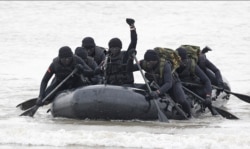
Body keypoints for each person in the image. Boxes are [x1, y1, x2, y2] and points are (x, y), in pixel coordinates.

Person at [134, 49, 192, 118]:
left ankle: (189, 116)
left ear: (155, 61)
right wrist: (130, 59)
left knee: (182, 100)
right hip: (157, 84)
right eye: (146, 61)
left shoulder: (165, 65)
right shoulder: (144, 63)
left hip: (173, 84)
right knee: (140, 89)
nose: (148, 63)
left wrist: (157, 92)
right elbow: (129, 68)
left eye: (149, 62)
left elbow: (168, 84)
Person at [175, 47, 218, 115]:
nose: (182, 63)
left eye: (184, 60)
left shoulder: (192, 65)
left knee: (202, 92)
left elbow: (207, 81)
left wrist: (208, 96)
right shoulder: (172, 66)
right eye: (180, 61)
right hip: (180, 86)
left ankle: (211, 108)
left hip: (193, 86)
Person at [102, 18, 137, 86]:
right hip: (111, 86)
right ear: (110, 48)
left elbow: (133, 41)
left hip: (126, 86)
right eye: (112, 48)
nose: (114, 49)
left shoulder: (125, 56)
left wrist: (132, 27)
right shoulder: (107, 59)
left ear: (120, 48)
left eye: (116, 48)